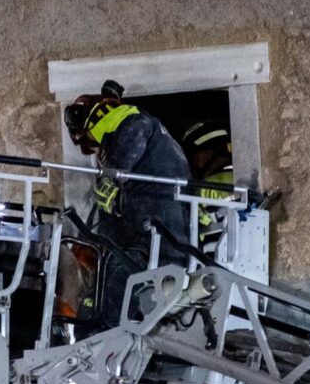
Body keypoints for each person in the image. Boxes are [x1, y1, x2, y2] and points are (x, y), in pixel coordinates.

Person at [63, 80, 191, 329]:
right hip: (153, 233)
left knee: (116, 285)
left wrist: (112, 177)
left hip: (154, 237)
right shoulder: (149, 141)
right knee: (110, 278)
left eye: (90, 143)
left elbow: (136, 133)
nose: (94, 150)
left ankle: (107, 342)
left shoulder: (129, 122)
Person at [179, 119, 234, 251]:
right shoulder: (241, 179)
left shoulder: (205, 188)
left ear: (204, 155)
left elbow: (189, 230)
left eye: (191, 158)